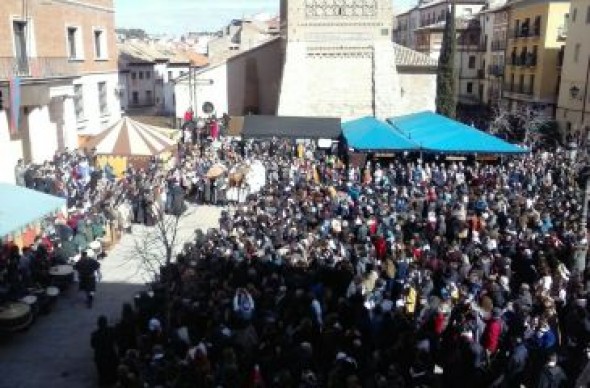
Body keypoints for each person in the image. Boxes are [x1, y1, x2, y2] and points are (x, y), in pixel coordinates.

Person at [91, 315, 119, 386]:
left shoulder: (95, 334)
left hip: (100, 358)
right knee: (113, 376)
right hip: (110, 356)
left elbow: (93, 345)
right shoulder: (111, 331)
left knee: (103, 377)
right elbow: (116, 340)